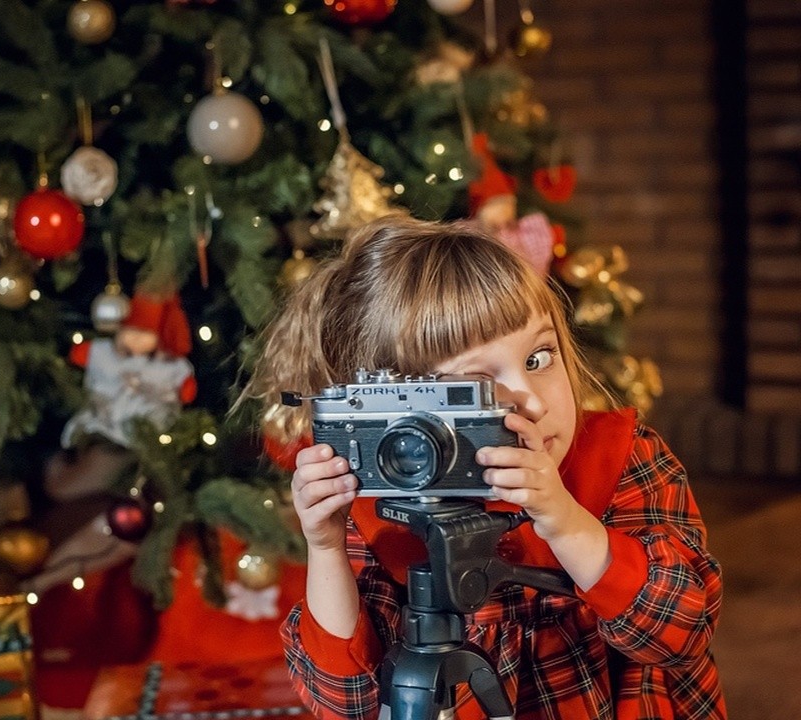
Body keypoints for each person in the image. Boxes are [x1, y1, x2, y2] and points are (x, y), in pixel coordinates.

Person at [243, 217, 726, 720]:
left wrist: (564, 520)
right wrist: (325, 549)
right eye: (477, 384)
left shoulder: (623, 456)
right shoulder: (382, 503)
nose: (534, 404)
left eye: (540, 357)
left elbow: (682, 631)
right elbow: (346, 702)